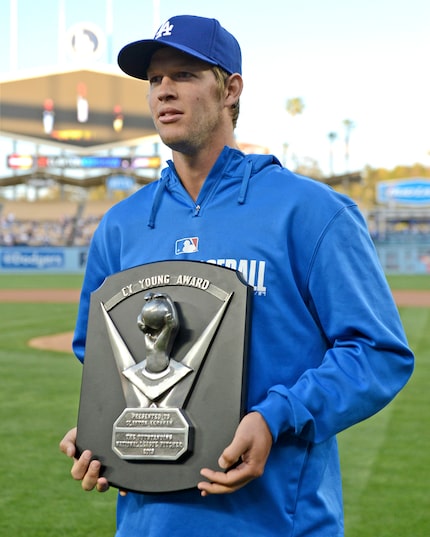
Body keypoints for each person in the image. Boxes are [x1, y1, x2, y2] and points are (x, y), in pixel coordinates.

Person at [60, 14, 414, 537]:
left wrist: (276, 417)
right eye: (155, 80)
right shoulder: (121, 226)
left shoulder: (310, 212)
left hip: (278, 522)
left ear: (231, 89)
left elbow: (378, 352)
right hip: (149, 524)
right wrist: (103, 429)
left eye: (183, 74)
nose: (163, 92)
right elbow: (103, 358)